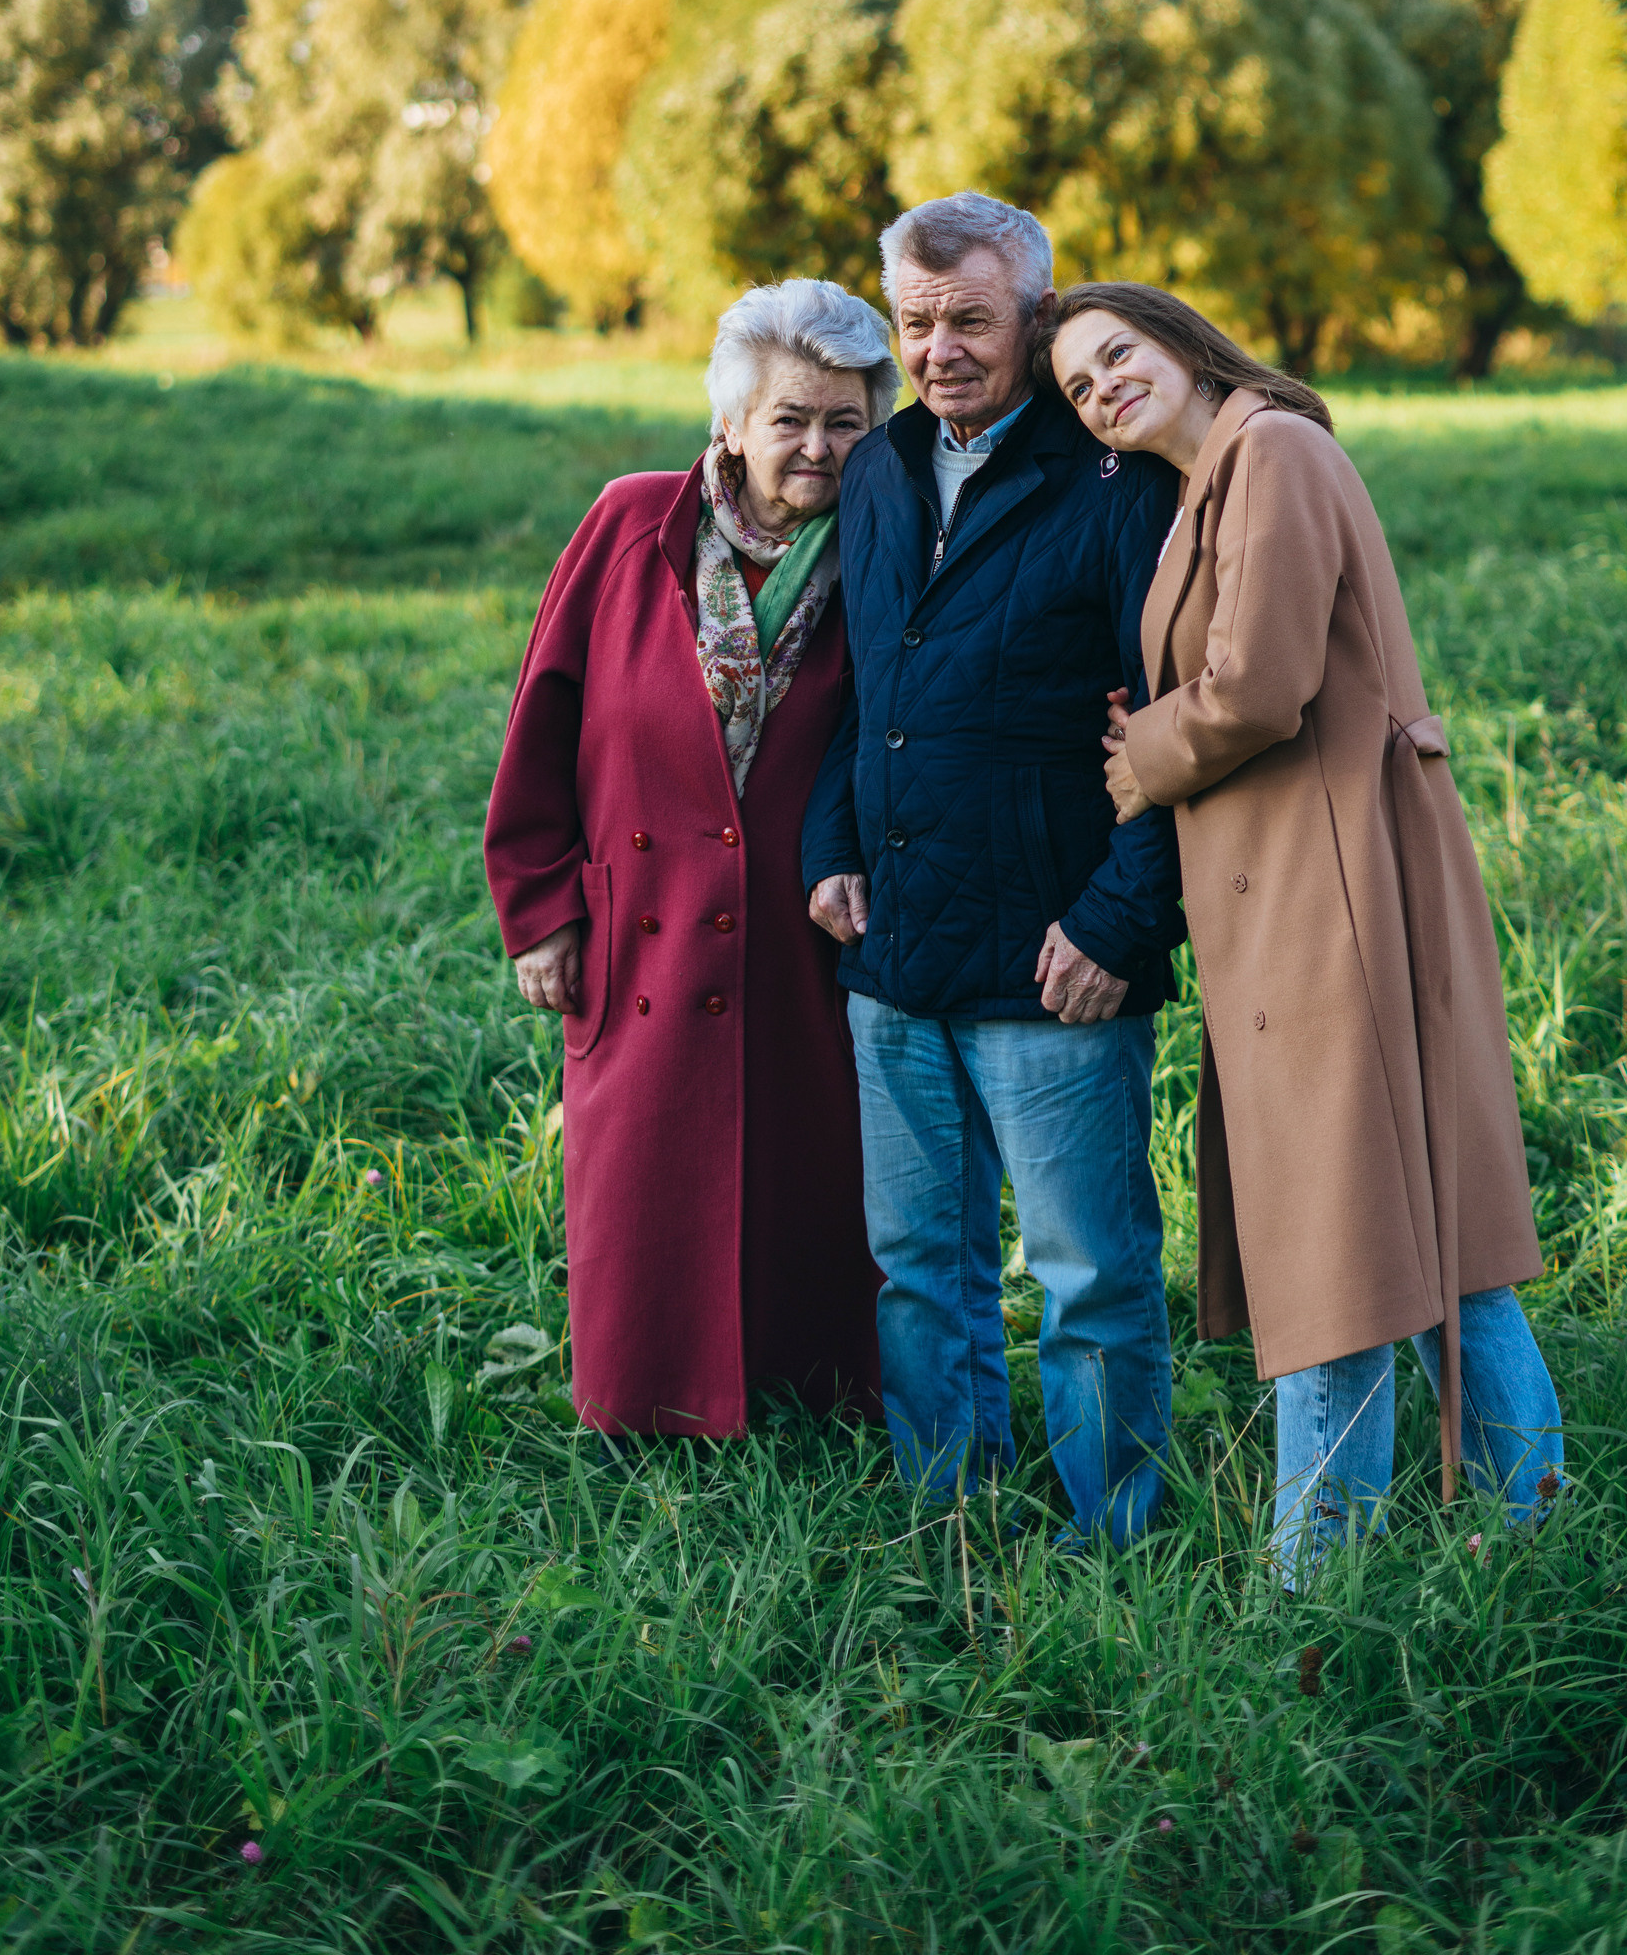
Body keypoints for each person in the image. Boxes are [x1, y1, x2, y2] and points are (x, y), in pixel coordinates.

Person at [1046, 281, 1560, 1571]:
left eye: (1116, 354)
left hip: (1333, 886)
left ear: (1180, 340)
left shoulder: (1267, 448)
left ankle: (1310, 1589)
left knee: (1334, 1240)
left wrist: (1140, 756)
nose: (1101, 386)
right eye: (1077, 387)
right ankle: (1523, 1540)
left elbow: (1261, 687)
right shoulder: (1209, 479)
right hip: (1308, 877)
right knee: (1438, 1237)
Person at [802, 194, 1186, 1546]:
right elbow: (858, 687)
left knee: (1088, 1276)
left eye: (970, 319)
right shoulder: (878, 472)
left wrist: (1123, 924)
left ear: (1035, 315)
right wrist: (829, 849)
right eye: (916, 322)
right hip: (894, 956)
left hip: (1060, 960)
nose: (940, 349)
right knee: (917, 1269)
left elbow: (1179, 720)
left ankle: (1118, 1534)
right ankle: (945, 1523)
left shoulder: (1121, 484)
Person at [483, 278, 896, 1440]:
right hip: (641, 915)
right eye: (789, 420)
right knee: (644, 1180)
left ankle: (811, 1404)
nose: (815, 447)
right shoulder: (628, 525)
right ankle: (639, 1406)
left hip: (800, 928)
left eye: (845, 422)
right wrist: (542, 909)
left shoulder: (884, 551)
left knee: (807, 1173)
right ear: (731, 424)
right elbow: (542, 721)